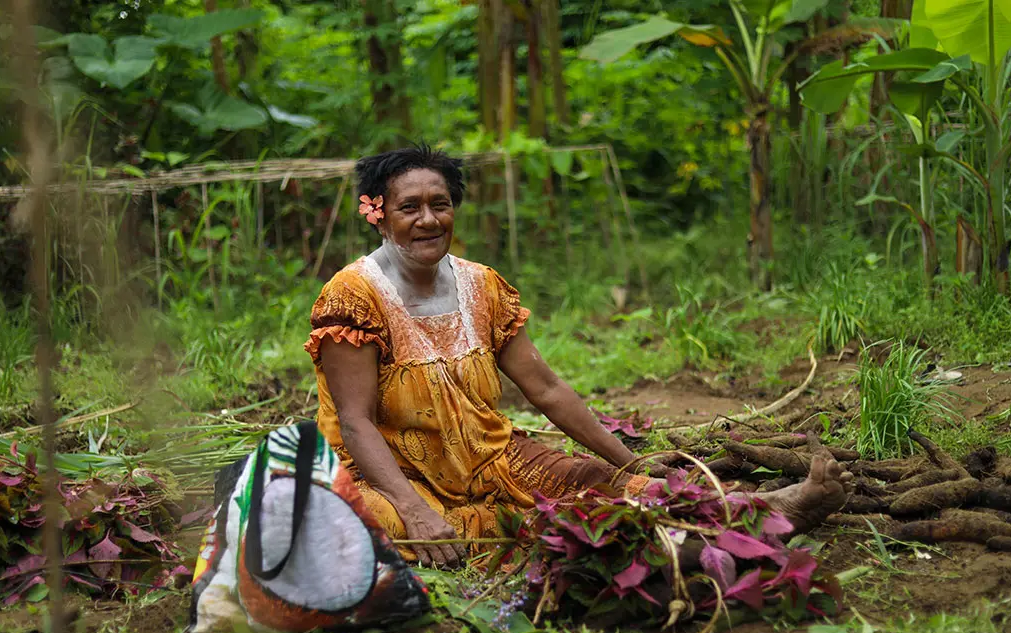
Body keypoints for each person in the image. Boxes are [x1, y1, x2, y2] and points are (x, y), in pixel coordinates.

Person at [305, 145, 848, 568]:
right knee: (370, 526)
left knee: (590, 480)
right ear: (377, 215)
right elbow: (354, 421)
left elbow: (546, 390)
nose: (428, 219)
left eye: (440, 204)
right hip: (389, 474)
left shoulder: (481, 286)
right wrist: (416, 511)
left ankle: (761, 511)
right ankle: (659, 545)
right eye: (409, 207)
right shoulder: (353, 296)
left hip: (489, 457)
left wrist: (627, 462)